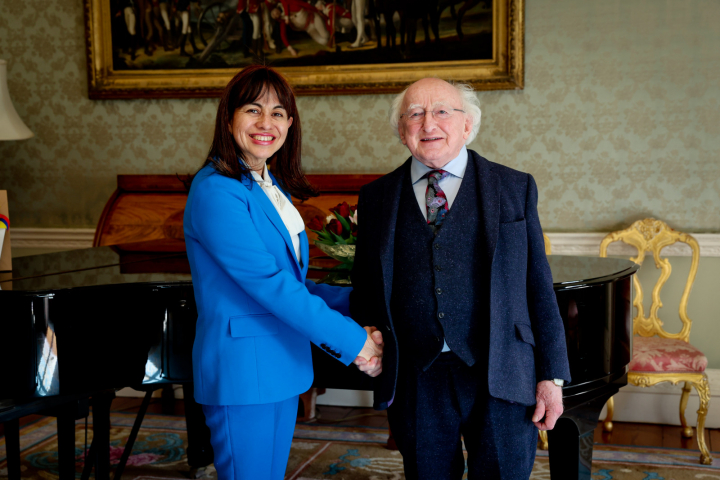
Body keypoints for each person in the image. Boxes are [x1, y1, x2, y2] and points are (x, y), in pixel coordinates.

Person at [349, 77, 571, 479]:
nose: (427, 123)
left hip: (503, 372)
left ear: (467, 125)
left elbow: (538, 286)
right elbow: (365, 287)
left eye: (441, 111)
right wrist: (366, 335)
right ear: (402, 131)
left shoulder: (514, 187)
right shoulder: (376, 197)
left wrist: (551, 376)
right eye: (414, 114)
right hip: (417, 377)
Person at [184, 65, 384, 480]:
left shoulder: (267, 184)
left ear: (290, 123)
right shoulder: (216, 191)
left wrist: (368, 305)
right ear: (228, 118)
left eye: (278, 113)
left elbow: (291, 282)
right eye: (253, 110)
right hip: (242, 371)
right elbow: (270, 286)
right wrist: (356, 342)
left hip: (277, 364)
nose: (266, 123)